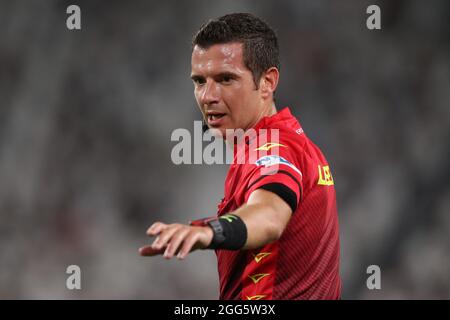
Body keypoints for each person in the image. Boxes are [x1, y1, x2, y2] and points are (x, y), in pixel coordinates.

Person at [139, 13, 341, 300]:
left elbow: (270, 216)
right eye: (199, 81)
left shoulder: (276, 147)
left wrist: (211, 232)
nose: (208, 95)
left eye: (225, 79)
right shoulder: (282, 145)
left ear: (268, 82)